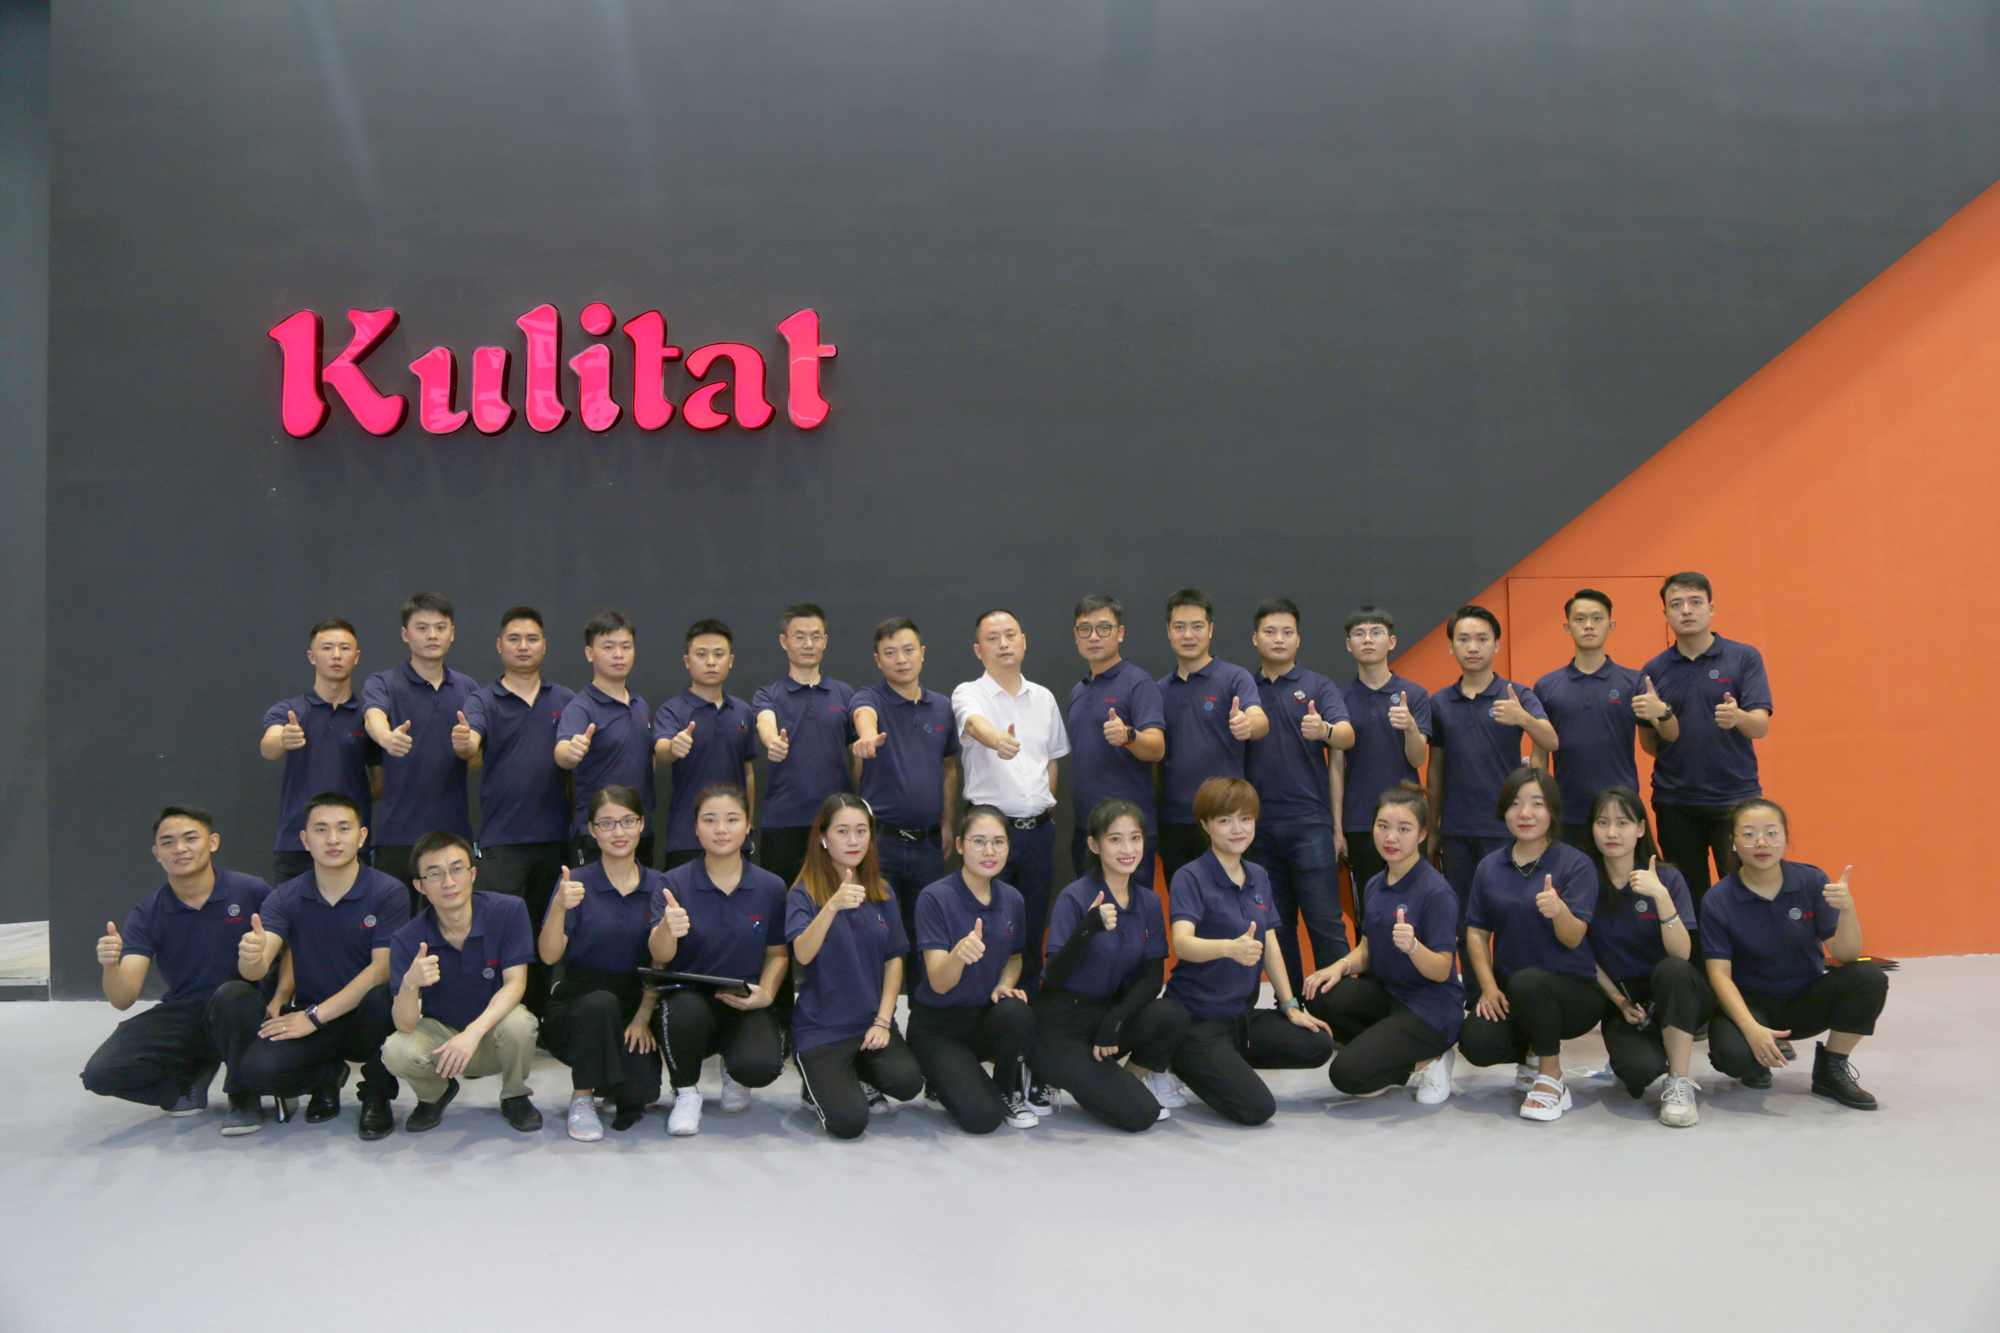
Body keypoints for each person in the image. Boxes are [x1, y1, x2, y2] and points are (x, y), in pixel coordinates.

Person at [80, 808, 273, 1134]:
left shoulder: (252, 890)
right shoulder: (147, 912)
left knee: (232, 994)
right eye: (168, 843)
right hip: (186, 1010)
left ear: (213, 842)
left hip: (244, 1009)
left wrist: (281, 999)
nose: (179, 849)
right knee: (100, 1073)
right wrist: (110, 966)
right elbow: (123, 998)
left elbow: (290, 951)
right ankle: (189, 1078)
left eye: (190, 838)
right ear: (157, 854)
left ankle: (243, 1096)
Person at [233, 792, 408, 1140]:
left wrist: (314, 1018)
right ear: (305, 840)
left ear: (361, 836)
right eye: (321, 829)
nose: (332, 839)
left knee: (381, 998)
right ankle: (326, 1078)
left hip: (365, 1019)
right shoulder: (284, 896)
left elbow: (382, 969)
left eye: (344, 828)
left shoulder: (389, 892)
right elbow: (257, 965)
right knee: (256, 1073)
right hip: (313, 1015)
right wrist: (250, 958)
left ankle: (376, 1095)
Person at [1164, 777, 1334, 1125]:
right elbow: (1182, 943)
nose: (1237, 829)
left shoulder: (1258, 874)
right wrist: (1228, 948)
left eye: (1245, 818)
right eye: (1224, 820)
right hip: (1198, 1018)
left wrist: (1289, 1005)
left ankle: (1221, 1062)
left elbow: (1270, 942)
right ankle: (1179, 1059)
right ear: (1205, 825)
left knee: (1317, 1045)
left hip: (1241, 1016)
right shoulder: (1190, 876)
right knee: (1257, 1109)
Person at [1700, 798, 1885, 1110]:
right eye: (1749, 834)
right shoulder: (1718, 898)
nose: (1761, 842)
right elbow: (1719, 974)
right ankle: (1755, 1063)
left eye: (1772, 833)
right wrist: (1750, 1029)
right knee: (1732, 1057)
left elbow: (1847, 955)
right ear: (1732, 842)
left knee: (1868, 976)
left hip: (1805, 1000)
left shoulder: (1811, 881)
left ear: (1786, 839)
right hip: (1751, 1005)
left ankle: (1832, 1067)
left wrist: (1848, 910)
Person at [1030, 799, 1188, 1131]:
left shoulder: (1149, 901)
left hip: (1106, 1018)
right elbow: (1053, 977)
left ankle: (1127, 1083)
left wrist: (1115, 1021)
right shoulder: (1075, 896)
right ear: (1094, 844)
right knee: (1141, 1115)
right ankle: (1042, 1072)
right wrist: (1086, 930)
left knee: (1171, 1013)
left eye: (1135, 838)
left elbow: (1152, 978)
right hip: (1063, 1025)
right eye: (1115, 839)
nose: (1127, 849)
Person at [1456, 767, 1603, 1122]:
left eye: (1537, 804)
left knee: (1529, 982)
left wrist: (1559, 911)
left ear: (1552, 810)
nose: (1525, 813)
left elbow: (1574, 937)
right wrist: (1488, 988)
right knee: (1476, 1043)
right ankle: (1532, 1055)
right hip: (1515, 991)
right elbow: (1476, 933)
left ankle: (1551, 1078)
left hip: (1572, 992)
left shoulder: (1576, 864)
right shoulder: (1490, 866)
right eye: (1515, 804)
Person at [1301, 785, 1462, 1105]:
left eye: (1403, 829)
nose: (1391, 837)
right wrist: (1338, 967)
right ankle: (1384, 1048)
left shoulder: (1436, 892)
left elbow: (1442, 970)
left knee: (1346, 1074)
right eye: (1383, 826)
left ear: (1422, 833)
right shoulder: (1376, 882)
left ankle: (1429, 1061)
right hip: (1390, 994)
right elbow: (1366, 947)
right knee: (1317, 992)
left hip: (1430, 1009)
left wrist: (1413, 947)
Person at [647, 784, 789, 1136]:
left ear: (748, 825)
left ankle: (736, 1073)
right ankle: (686, 1092)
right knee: (683, 1011)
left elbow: (777, 954)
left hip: (742, 999)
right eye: (709, 820)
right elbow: (660, 956)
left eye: (732, 820)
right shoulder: (672, 882)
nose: (721, 829)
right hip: (689, 1000)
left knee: (761, 1066)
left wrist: (767, 993)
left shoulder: (771, 886)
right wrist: (667, 927)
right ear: (696, 828)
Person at [383, 831, 543, 1133]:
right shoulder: (407, 938)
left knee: (520, 1023)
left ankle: (515, 1095)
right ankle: (434, 1095)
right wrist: (410, 984)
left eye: (457, 869)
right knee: (395, 1050)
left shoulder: (508, 911)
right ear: (419, 886)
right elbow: (404, 1024)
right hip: (443, 1040)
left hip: (493, 1032)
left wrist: (473, 1032)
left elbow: (516, 983)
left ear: (472, 874)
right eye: (435, 874)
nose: (448, 882)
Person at [786, 794, 925, 1139]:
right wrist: (831, 906)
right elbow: (802, 954)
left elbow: (894, 959)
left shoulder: (882, 891)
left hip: (868, 1025)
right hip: (822, 1029)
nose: (853, 841)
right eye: (842, 831)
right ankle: (813, 1083)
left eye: (861, 831)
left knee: (908, 1082)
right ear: (823, 837)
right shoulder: (803, 893)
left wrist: (883, 1020)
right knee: (849, 1124)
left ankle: (859, 1074)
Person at [951, 608, 1069, 1010]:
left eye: (1010, 635)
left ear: (1023, 642)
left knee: (1031, 927)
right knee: (984, 926)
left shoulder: (1044, 698)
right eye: (993, 638)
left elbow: (1052, 760)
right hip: (989, 836)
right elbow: (973, 725)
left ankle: (1026, 1010)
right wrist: (997, 740)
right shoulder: (969, 693)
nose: (1003, 644)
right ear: (978, 650)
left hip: (1037, 833)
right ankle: (980, 1010)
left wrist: (1042, 810)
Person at [460, 607, 575, 1015]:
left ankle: (537, 1016)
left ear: (544, 645)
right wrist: (465, 743)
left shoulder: (565, 700)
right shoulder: (483, 699)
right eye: (514, 639)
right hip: (502, 839)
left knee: (546, 932)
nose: (523, 646)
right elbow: (470, 743)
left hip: (555, 839)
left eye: (531, 639)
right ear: (499, 645)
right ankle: (487, 1020)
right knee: (493, 933)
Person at [537, 786, 663, 1141]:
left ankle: (612, 1081)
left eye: (627, 821)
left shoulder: (659, 884)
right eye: (606, 823)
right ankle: (582, 1096)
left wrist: (642, 1017)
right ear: (592, 830)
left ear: (642, 824)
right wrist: (559, 907)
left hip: (633, 1002)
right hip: (578, 1004)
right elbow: (549, 956)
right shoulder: (574, 882)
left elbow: (661, 961)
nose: (618, 832)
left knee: (641, 1093)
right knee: (599, 1004)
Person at [1639, 572, 1774, 903]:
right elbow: (1649, 744)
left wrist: (1739, 717)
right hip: (1675, 803)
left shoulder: (1744, 657)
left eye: (1695, 602)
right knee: (1687, 895)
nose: (1686, 610)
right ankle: (1696, 942)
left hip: (1735, 799)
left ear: (1711, 608)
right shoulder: (1653, 670)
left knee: (1744, 892)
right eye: (1676, 604)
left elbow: (1760, 726)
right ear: (1666, 614)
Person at [1244, 597, 1356, 987]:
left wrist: (1324, 730)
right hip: (1257, 829)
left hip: (1310, 824)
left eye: (1287, 632)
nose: (1278, 639)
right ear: (1255, 638)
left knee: (1325, 922)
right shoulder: (1244, 687)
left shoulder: (1317, 685)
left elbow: (1347, 735)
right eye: (1270, 632)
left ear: (1298, 639)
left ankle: (1339, 1006)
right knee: (1276, 928)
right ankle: (1289, 1006)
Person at [908, 806, 1040, 1133]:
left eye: (998, 842)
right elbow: (938, 983)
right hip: (938, 1026)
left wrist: (1004, 985)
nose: (989, 851)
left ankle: (1006, 1090)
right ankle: (941, 1078)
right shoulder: (934, 898)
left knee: (1018, 1012)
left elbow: (1014, 958)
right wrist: (958, 955)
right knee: (982, 1119)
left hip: (981, 1019)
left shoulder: (1013, 899)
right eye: (979, 841)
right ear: (960, 845)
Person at [1582, 787, 1708, 1127]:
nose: (1611, 832)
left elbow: (1681, 954)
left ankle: (1679, 1081)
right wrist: (1619, 1001)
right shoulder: (1584, 882)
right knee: (1636, 1073)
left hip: (1674, 990)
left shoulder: (1667, 878)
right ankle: (1646, 1055)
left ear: (1640, 828)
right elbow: (1582, 953)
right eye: (1602, 822)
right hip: (1625, 997)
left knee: (1673, 969)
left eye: (1622, 823)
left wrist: (1661, 897)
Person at [1427, 605, 1558, 912]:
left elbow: (1551, 740)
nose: (1473, 647)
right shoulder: (1440, 702)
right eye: (1463, 639)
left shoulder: (1517, 695)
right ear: (1451, 646)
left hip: (1505, 826)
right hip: (1456, 829)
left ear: (1497, 644)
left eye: (1482, 639)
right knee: (1462, 916)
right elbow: (1435, 769)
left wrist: (1522, 718)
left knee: (1509, 913)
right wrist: (1432, 829)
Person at [850, 617, 960, 980]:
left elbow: (948, 767)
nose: (901, 659)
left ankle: (920, 1012)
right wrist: (867, 736)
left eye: (908, 650)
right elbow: (863, 717)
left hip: (928, 845)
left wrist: (947, 822)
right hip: (880, 844)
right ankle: (878, 1012)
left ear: (922, 653)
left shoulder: (941, 707)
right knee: (876, 934)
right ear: (878, 659)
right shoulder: (869, 698)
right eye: (890, 652)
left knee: (925, 937)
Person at [361, 592, 477, 894]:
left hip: (454, 833)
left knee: (453, 916)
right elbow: (373, 716)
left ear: (452, 633)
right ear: (405, 634)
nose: (432, 635)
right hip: (398, 835)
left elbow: (478, 749)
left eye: (440, 627)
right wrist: (387, 737)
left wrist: (464, 750)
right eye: (422, 628)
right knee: (396, 917)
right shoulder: (383, 682)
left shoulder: (467, 687)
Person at [1157, 590, 1269, 885]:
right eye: (1179, 627)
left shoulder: (1234, 677)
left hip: (1227, 818)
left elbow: (1259, 720)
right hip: (1174, 820)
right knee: (1183, 904)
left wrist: (1248, 725)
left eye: (1197, 626)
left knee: (1231, 902)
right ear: (1168, 631)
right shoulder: (1159, 690)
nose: (1188, 635)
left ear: (1210, 630)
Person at [259, 618, 377, 884]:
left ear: (356, 656)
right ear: (312, 657)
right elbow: (269, 747)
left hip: (352, 845)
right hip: (296, 843)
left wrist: (347, 801)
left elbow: (379, 783)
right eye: (327, 648)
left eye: (344, 648)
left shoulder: (370, 716)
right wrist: (283, 739)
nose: (336, 655)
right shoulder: (290, 710)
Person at [1530, 590, 1651, 850]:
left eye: (1597, 618)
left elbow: (1658, 739)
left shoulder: (1633, 682)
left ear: (1610, 625)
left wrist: (1664, 713)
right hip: (1567, 810)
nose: (1588, 625)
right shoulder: (1547, 686)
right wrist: (1542, 803)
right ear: (1567, 627)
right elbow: (1539, 753)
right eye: (1580, 619)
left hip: (1620, 811)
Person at [1334, 606, 1432, 920]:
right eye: (1359, 634)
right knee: (1369, 912)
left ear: (1391, 642)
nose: (1368, 640)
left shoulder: (1414, 695)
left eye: (1376, 633)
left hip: (1407, 819)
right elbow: (1335, 767)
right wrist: (1337, 827)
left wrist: (1411, 727)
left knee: (1412, 910)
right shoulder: (1339, 698)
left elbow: (1418, 758)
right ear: (1348, 644)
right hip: (1361, 821)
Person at [1064, 594, 1165, 893]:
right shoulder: (1079, 690)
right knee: (1092, 913)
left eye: (1104, 628)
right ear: (1076, 636)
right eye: (1085, 629)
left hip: (1127, 832)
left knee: (1131, 913)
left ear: (1120, 633)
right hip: (1087, 829)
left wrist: (1128, 736)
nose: (1094, 637)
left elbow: (1157, 747)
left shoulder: (1138, 682)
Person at [754, 604, 855, 888]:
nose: (808, 644)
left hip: (836, 821)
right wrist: (772, 741)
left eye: (815, 636)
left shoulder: (845, 694)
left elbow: (857, 756)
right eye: (799, 636)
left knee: (838, 901)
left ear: (825, 641)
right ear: (784, 641)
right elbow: (764, 721)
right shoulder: (768, 694)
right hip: (783, 822)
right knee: (784, 902)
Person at [652, 618, 757, 872]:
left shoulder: (743, 711)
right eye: (701, 654)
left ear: (730, 660)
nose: (711, 662)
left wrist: (748, 823)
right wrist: (673, 747)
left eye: (719, 654)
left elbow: (748, 772)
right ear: (687, 661)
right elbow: (661, 750)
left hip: (735, 837)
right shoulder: (672, 710)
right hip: (686, 837)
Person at [556, 611, 655, 866]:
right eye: (608, 647)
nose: (618, 654)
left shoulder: (640, 705)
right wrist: (570, 751)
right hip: (598, 834)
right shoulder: (580, 707)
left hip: (639, 832)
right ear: (590, 653)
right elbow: (563, 752)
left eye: (626, 647)